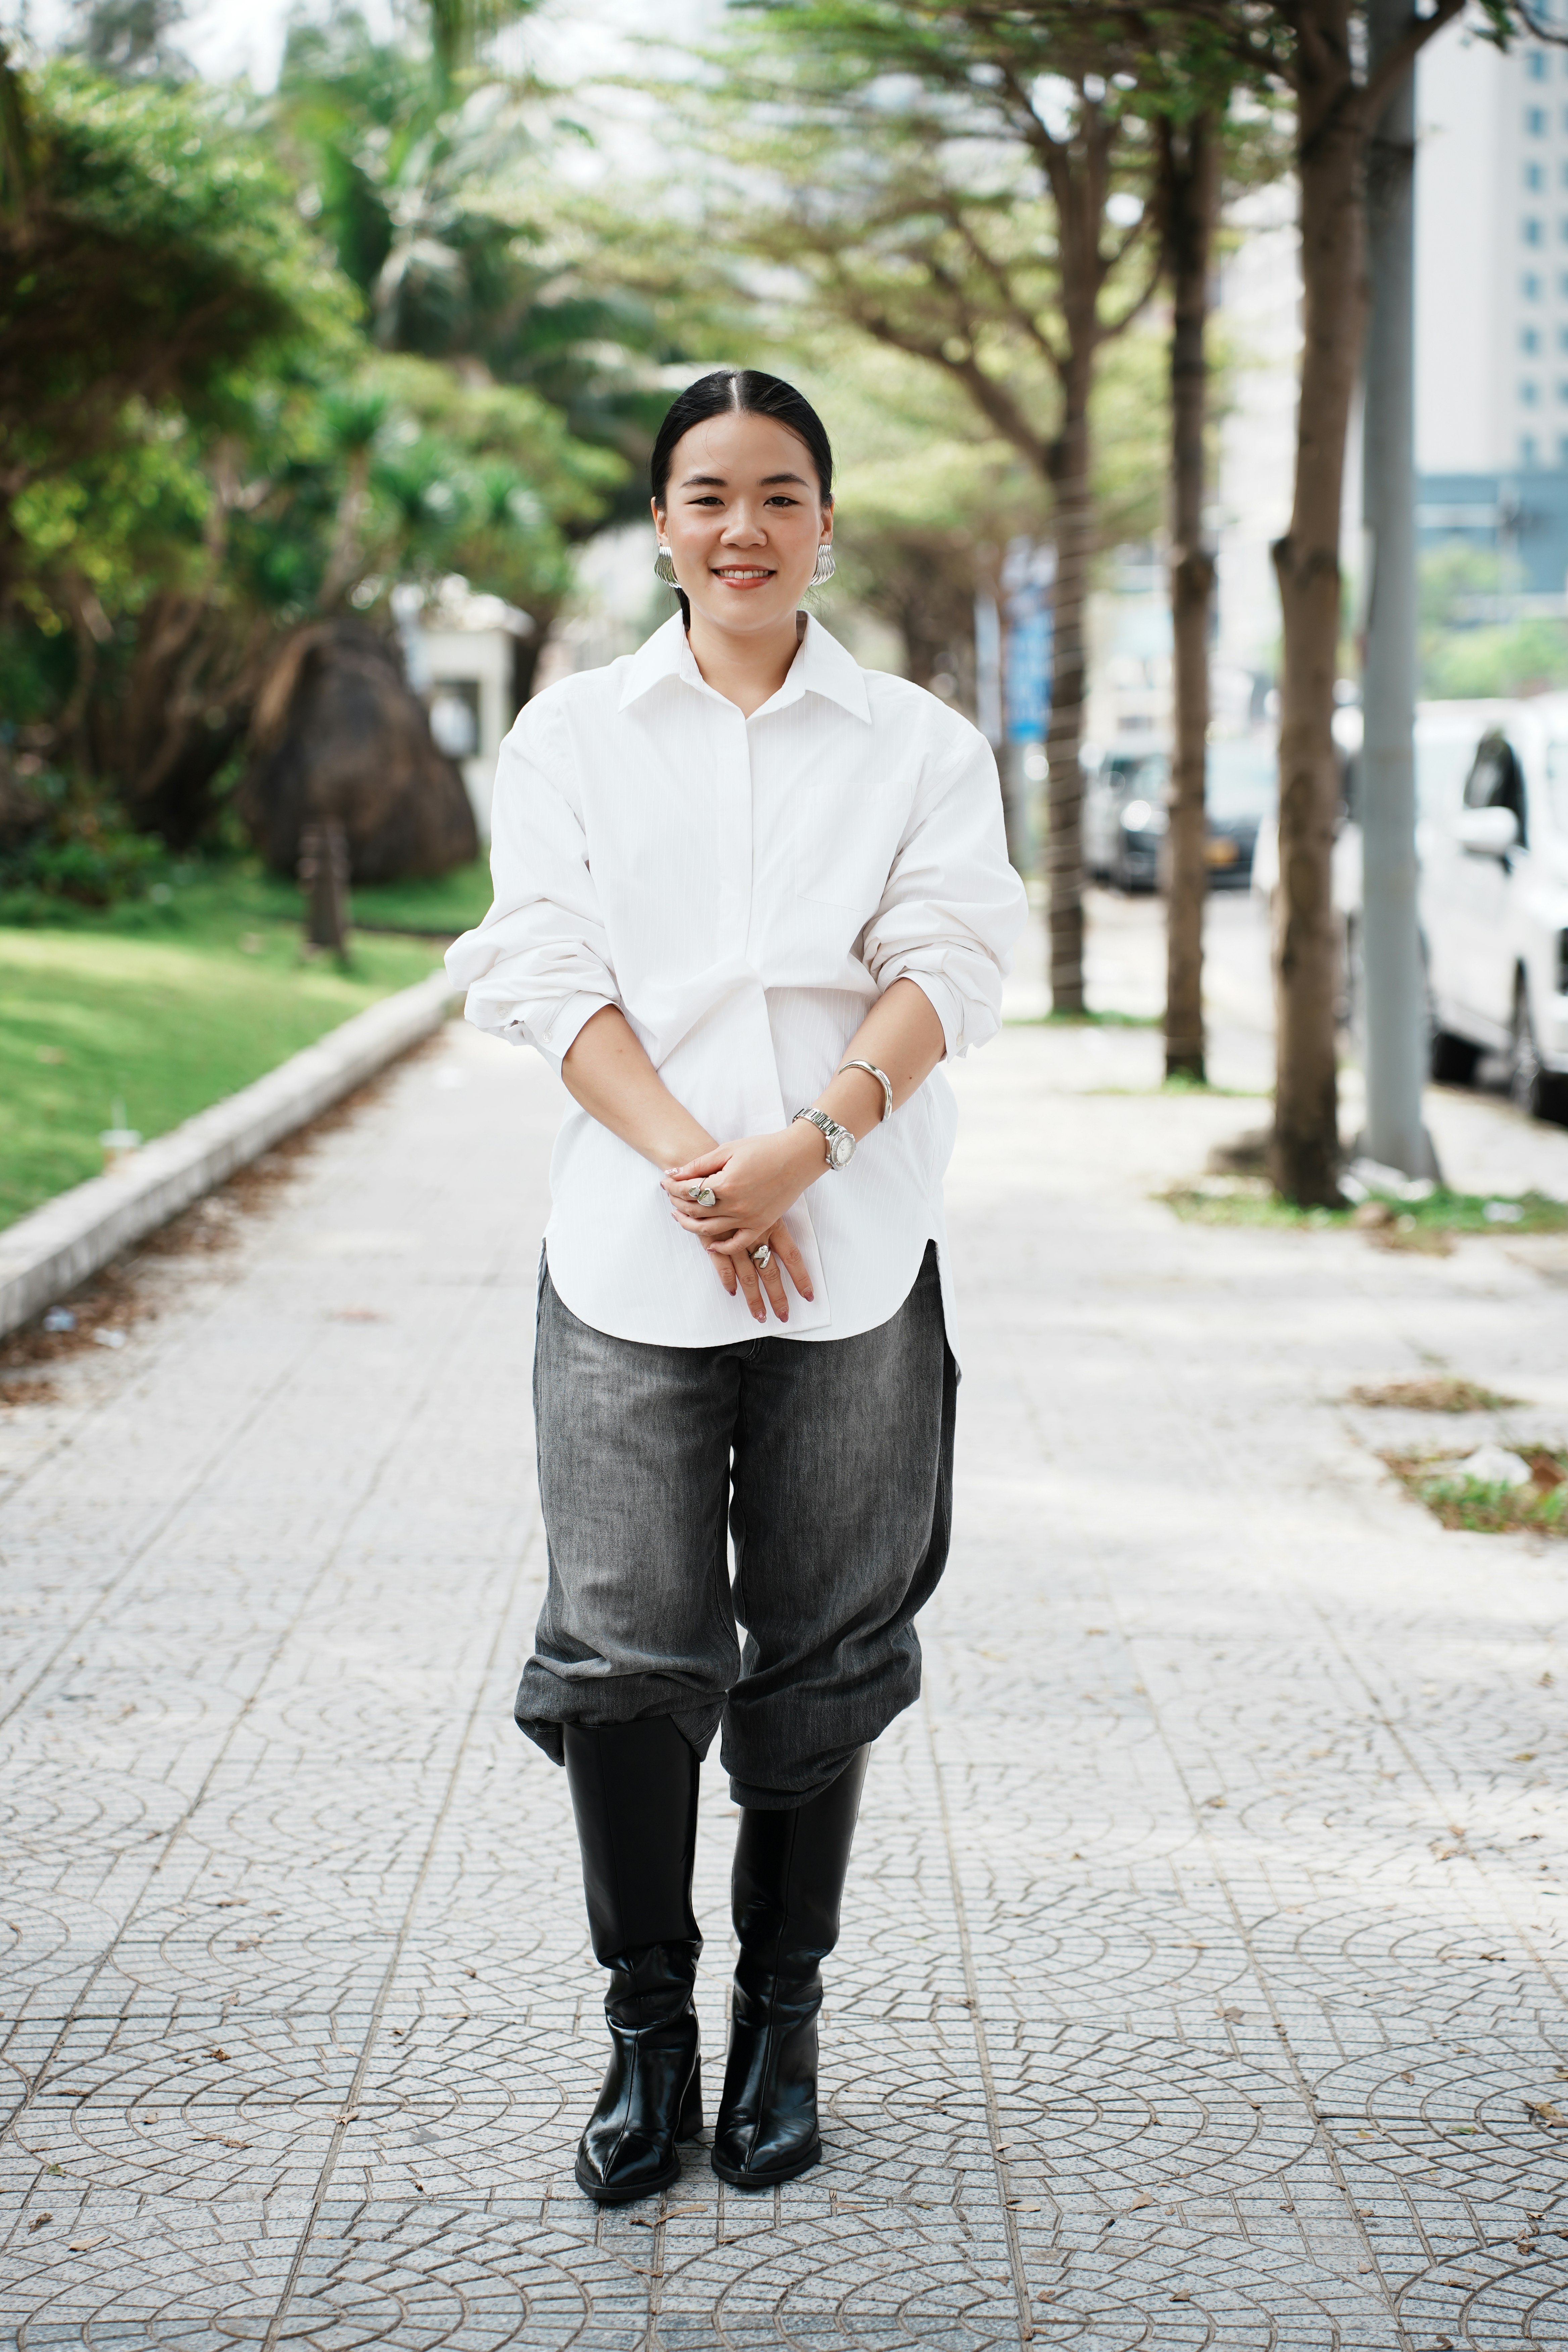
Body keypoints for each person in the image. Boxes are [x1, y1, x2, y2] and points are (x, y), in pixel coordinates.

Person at [446, 368, 1027, 2207]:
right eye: (708, 495)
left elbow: (952, 959)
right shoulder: (573, 736)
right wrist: (707, 1167)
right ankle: (651, 2040)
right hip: (631, 1251)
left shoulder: (922, 745)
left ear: (826, 525)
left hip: (853, 1254)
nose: (744, 529)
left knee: (830, 1641)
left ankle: (786, 2027)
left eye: (781, 494)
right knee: (622, 1652)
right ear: (662, 525)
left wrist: (818, 1141)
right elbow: (541, 967)